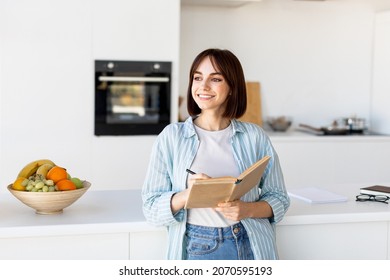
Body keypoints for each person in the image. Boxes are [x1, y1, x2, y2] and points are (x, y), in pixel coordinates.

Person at [142, 48, 290, 260]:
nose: (203, 86)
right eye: (197, 78)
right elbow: (151, 209)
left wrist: (247, 210)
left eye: (215, 79)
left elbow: (279, 199)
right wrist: (187, 195)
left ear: (232, 87)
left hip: (252, 244)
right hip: (198, 246)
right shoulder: (171, 137)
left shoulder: (255, 136)